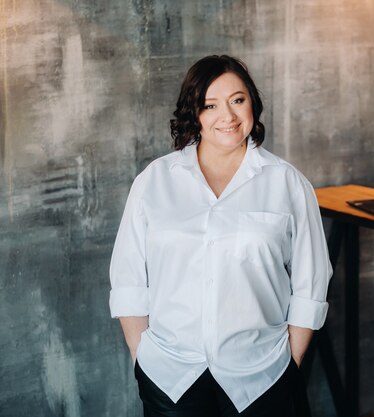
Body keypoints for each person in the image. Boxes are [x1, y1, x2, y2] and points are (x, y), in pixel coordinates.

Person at [109, 55, 333, 417]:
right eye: (210, 105)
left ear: (252, 104)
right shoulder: (155, 181)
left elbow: (312, 282)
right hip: (171, 376)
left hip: (261, 376)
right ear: (193, 113)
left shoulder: (287, 182)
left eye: (237, 100)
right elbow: (128, 279)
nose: (227, 117)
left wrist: (290, 361)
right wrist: (141, 358)